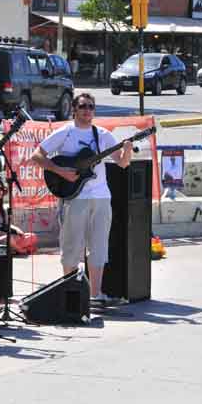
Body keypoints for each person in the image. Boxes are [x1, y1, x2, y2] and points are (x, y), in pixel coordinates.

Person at [31, 92, 133, 305]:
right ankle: (70, 293)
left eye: (91, 107)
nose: (87, 110)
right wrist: (61, 172)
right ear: (74, 110)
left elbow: (122, 164)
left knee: (99, 245)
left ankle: (95, 295)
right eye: (83, 106)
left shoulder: (103, 134)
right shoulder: (66, 132)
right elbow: (37, 156)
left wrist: (127, 150)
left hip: (102, 196)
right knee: (72, 245)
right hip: (75, 196)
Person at [0, 177, 38, 254]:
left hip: (7, 237)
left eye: (1, 189)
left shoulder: (2, 207)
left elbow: (7, 224)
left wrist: (17, 229)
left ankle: (13, 249)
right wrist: (5, 234)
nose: (0, 191)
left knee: (32, 236)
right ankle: (20, 250)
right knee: (9, 238)